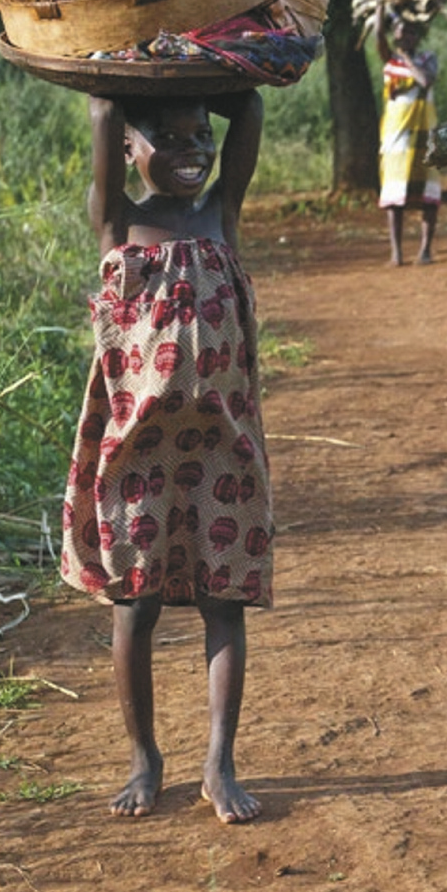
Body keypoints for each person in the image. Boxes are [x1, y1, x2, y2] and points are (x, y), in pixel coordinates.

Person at [61, 90, 274, 826]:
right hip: (136, 449)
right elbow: (101, 109)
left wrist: (202, 69)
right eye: (171, 138)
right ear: (128, 147)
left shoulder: (219, 215)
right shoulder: (117, 222)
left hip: (221, 444)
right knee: (136, 603)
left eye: (200, 135)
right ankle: (144, 757)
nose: (193, 151)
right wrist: (126, 78)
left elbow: (249, 107)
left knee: (225, 601)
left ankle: (220, 761)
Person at [377, 14, 440, 265]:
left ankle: (425, 250)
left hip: (425, 130)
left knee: (428, 190)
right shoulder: (389, 60)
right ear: (394, 34)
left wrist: (407, 59)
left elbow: (425, 81)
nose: (406, 36)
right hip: (397, 134)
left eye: (412, 32)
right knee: (395, 191)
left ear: (418, 36)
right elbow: (378, 34)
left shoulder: (427, 60)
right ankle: (396, 252)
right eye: (401, 31)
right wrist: (381, 5)